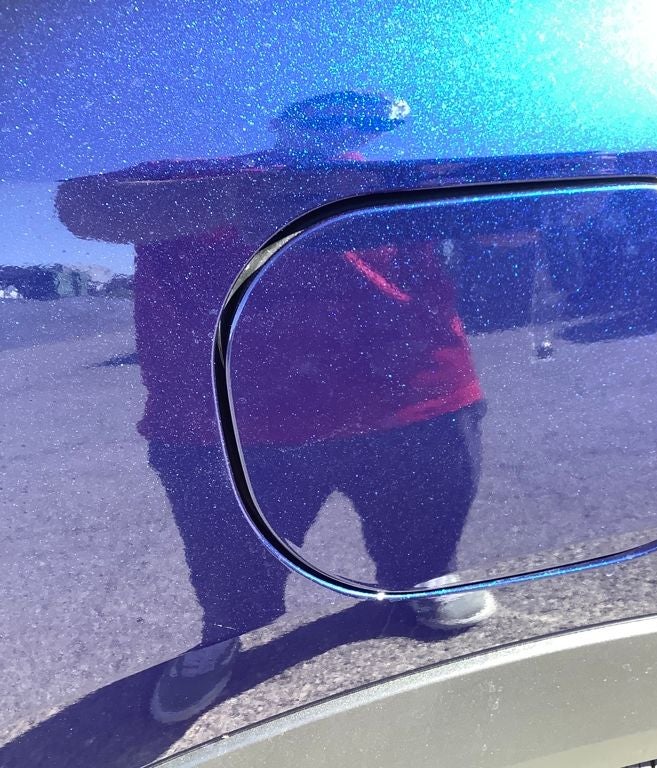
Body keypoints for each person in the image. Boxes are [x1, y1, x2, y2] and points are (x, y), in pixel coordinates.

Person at [56, 91, 495, 725]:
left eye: (360, 121)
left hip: (416, 398)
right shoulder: (192, 175)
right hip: (229, 421)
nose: (341, 131)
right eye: (322, 116)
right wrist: (250, 198)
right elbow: (81, 206)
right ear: (281, 124)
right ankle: (223, 633)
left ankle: (421, 581)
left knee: (424, 534)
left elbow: (513, 222)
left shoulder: (408, 176)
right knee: (229, 567)